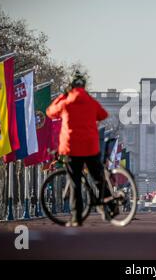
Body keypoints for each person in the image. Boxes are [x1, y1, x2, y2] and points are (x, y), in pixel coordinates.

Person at [46, 70, 109, 227]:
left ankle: (76, 217)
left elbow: (50, 112)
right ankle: (110, 206)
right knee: (98, 178)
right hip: (90, 147)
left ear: (71, 87)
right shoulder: (90, 101)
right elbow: (103, 115)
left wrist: (62, 96)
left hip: (72, 149)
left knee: (75, 183)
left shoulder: (66, 102)